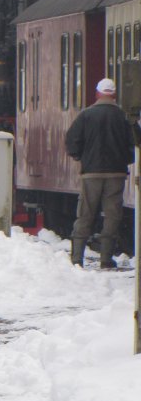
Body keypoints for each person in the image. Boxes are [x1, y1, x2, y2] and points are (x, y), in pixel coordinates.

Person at [64, 77, 136, 268]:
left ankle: (77, 258)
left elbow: (72, 140)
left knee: (86, 213)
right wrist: (126, 159)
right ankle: (106, 258)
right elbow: (133, 143)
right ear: (114, 94)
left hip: (91, 174)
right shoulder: (123, 116)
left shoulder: (86, 115)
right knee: (112, 215)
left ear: (97, 93)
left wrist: (80, 156)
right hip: (116, 174)